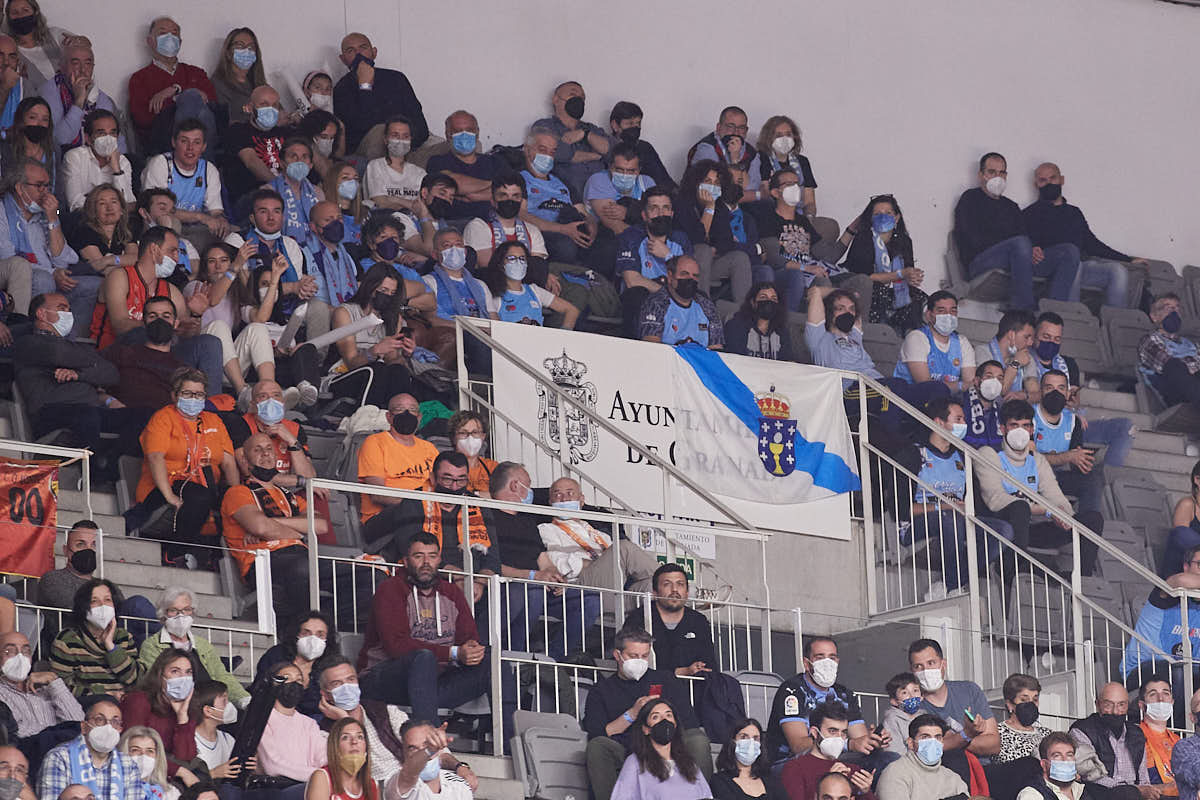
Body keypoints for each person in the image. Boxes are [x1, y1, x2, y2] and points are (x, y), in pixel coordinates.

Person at [356, 532, 491, 725]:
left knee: (493, 662)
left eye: (432, 556)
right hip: (384, 680)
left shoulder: (452, 592)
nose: (426, 563)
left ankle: (510, 738)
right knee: (423, 658)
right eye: (418, 556)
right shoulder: (390, 589)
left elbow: (468, 637)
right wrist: (453, 653)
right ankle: (429, 738)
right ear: (405, 561)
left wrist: (472, 650)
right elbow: (397, 646)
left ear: (439, 560)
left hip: (432, 684)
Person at [582, 628, 712, 800]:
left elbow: (689, 723)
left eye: (644, 656)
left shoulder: (666, 680)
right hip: (627, 747)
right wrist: (632, 714)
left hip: (669, 745)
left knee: (698, 739)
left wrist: (663, 723)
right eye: (633, 656)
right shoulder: (602, 690)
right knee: (598, 746)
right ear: (617, 655)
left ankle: (702, 795)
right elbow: (598, 733)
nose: (639, 661)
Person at [978, 399, 1103, 576]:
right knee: (1019, 508)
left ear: (1031, 430)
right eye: (1014, 425)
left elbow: (1056, 496)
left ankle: (1083, 578)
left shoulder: (1037, 460)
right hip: (1001, 527)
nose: (1020, 431)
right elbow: (995, 500)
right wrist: (1047, 510)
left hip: (1031, 529)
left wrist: (1064, 516)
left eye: (1025, 426)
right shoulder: (989, 453)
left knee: (1093, 519)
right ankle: (1011, 570)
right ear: (1003, 429)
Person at [128, 367, 238, 567]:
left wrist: (236, 496)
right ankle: (174, 553)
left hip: (206, 485)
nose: (194, 399)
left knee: (236, 504)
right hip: (166, 485)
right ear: (174, 395)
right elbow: (155, 458)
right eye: (187, 393)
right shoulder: (163, 418)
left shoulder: (214, 421)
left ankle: (220, 558)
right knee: (199, 496)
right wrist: (170, 496)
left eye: (199, 394)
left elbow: (229, 463)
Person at [221, 433, 332, 630]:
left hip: (302, 557)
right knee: (303, 568)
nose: (265, 454)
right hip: (264, 561)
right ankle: (302, 632)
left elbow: (320, 525)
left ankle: (328, 632)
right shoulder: (238, 492)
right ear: (245, 460)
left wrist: (274, 522)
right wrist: (299, 533)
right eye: (257, 450)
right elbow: (261, 527)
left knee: (368, 574)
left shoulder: (291, 497)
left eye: (269, 449)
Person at [908, 397, 1014, 599]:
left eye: (964, 419)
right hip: (918, 522)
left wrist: (961, 508)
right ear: (939, 422)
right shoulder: (915, 453)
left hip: (955, 518)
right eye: (958, 419)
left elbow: (971, 502)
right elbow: (902, 508)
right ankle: (952, 585)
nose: (964, 424)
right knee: (950, 518)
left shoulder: (962, 457)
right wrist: (945, 507)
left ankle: (951, 583)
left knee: (1003, 531)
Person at [315, 657, 478, 788]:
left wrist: (460, 767)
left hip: (417, 782)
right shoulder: (324, 734)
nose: (346, 688)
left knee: (459, 786)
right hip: (383, 791)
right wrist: (345, 721)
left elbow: (430, 749)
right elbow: (352, 776)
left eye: (351, 680)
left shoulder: (385, 712)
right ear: (325, 695)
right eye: (337, 684)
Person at [954, 152, 1076, 311]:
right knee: (1020, 244)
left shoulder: (1011, 207)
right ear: (981, 175)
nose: (997, 177)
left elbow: (1023, 236)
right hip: (980, 261)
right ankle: (1023, 309)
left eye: (1001, 173)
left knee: (1068, 252)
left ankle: (1053, 312)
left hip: (1016, 258)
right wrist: (1017, 245)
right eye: (991, 172)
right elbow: (971, 238)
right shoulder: (970, 198)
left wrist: (1033, 249)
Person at [13, 292, 125, 462]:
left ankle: (113, 469)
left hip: (90, 411)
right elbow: (57, 354)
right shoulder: (27, 342)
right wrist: (93, 362)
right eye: (62, 308)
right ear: (41, 314)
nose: (68, 314)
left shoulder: (75, 347)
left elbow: (112, 373)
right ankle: (93, 472)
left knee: (142, 416)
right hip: (50, 413)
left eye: (69, 309)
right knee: (87, 415)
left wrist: (79, 374)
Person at [1025, 162, 1147, 308]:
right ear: (1036, 185)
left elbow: (1092, 244)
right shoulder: (1030, 213)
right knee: (1072, 258)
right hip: (1049, 267)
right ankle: (1070, 315)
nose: (1049, 184)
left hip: (1081, 266)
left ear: (1062, 180)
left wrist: (1129, 259)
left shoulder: (1074, 213)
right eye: (1043, 180)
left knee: (1118, 271)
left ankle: (1115, 319)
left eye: (1053, 178)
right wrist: (1032, 248)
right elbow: (1022, 241)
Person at [1026, 312, 1133, 469]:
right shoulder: (1024, 361)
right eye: (1046, 337)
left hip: (1068, 424)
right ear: (1034, 336)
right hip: (1037, 425)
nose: (1051, 343)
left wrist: (1072, 402)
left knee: (1124, 427)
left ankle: (1109, 474)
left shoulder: (1068, 364)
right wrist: (1054, 396)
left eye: (1057, 339)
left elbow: (1074, 401)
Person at [764, 636, 888, 766]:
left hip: (836, 759)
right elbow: (798, 746)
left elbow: (859, 739)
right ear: (806, 664)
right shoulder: (792, 690)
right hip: (791, 762)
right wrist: (848, 744)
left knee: (886, 759)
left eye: (832, 658)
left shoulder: (844, 694)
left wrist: (872, 739)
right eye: (820, 657)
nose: (827, 663)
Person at [538, 476, 660, 593]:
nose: (564, 499)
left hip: (616, 585)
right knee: (623, 548)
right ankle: (667, 575)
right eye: (558, 495)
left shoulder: (599, 533)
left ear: (581, 500)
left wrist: (607, 565)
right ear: (550, 502)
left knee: (652, 586)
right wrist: (601, 565)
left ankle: (668, 580)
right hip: (581, 584)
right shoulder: (546, 529)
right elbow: (559, 563)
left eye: (570, 493)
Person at [137, 588, 250, 710]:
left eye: (186, 610)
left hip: (209, 704)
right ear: (163, 614)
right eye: (173, 610)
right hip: (174, 706)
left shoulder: (203, 645)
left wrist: (244, 699)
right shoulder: (152, 645)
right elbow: (155, 682)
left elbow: (221, 675)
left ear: (193, 612)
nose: (181, 616)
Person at [675, 159, 766, 303]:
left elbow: (726, 242)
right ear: (696, 183)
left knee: (739, 257)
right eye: (707, 181)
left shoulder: (720, 207)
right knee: (704, 250)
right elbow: (697, 239)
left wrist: (715, 248)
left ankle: (744, 310)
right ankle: (703, 306)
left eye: (716, 183)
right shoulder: (683, 204)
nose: (712, 186)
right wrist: (709, 208)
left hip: (711, 264)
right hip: (686, 265)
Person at [757, 168, 847, 311]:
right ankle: (790, 319)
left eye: (797, 183)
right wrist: (807, 268)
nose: (795, 188)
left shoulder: (803, 221)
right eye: (789, 184)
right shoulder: (767, 219)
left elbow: (827, 255)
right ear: (775, 192)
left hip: (808, 269)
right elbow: (775, 258)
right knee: (808, 278)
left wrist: (851, 230)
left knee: (849, 280)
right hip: (783, 272)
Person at [88, 226, 190, 351]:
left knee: (205, 342)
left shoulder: (171, 291)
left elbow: (184, 331)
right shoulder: (120, 277)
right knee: (138, 334)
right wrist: (162, 327)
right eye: (172, 251)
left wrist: (196, 316)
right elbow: (120, 326)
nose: (177, 258)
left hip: (158, 357)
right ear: (154, 249)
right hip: (113, 354)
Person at [127, 16, 216, 154]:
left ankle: (195, 155)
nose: (169, 38)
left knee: (193, 100)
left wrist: (175, 91)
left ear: (180, 42)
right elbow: (143, 119)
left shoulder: (196, 73)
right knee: (192, 97)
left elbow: (213, 104)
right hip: (163, 145)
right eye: (163, 33)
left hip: (205, 140)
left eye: (174, 33)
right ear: (150, 41)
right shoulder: (139, 79)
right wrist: (182, 99)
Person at [357, 392, 439, 537]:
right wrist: (419, 505)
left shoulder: (430, 448)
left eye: (412, 410)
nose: (407, 414)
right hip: (380, 517)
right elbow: (378, 495)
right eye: (400, 409)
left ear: (419, 417)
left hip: (428, 512)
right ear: (389, 417)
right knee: (412, 513)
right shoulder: (375, 442)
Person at [839, 194, 925, 333]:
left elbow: (907, 270)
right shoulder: (864, 238)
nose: (883, 217)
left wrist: (912, 277)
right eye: (877, 214)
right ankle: (875, 333)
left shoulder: (904, 241)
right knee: (880, 291)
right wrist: (900, 274)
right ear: (871, 218)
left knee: (917, 296)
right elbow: (866, 277)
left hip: (891, 288)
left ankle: (908, 334)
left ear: (896, 218)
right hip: (864, 287)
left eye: (888, 213)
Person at [1121, 544, 1200, 694]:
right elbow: (1180, 581)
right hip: (1141, 670)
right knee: (1179, 671)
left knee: (1184, 672)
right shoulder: (1165, 594)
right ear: (1186, 566)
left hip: (1186, 671)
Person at [0, 158, 74, 315]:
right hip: (22, 276)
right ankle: (31, 328)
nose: (45, 192)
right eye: (39, 186)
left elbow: (62, 262)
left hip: (54, 276)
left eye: (47, 186)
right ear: (20, 188)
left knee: (92, 286)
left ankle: (66, 330)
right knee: (43, 280)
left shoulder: (46, 214)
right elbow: (8, 259)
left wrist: (53, 219)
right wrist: (52, 273)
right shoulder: (2, 210)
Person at [140, 119, 227, 251]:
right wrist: (200, 217)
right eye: (184, 141)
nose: (190, 148)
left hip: (196, 230)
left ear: (204, 146)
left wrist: (220, 221)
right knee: (170, 223)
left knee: (232, 234)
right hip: (164, 227)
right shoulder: (161, 163)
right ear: (174, 142)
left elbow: (216, 211)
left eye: (196, 142)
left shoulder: (208, 169)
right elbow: (158, 211)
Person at [334, 32, 427, 154]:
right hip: (372, 146)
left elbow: (420, 123)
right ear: (343, 59)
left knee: (442, 146)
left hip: (408, 143)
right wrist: (365, 86)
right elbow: (363, 128)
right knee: (381, 131)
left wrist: (404, 142)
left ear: (374, 52)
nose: (358, 54)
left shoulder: (396, 78)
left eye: (363, 48)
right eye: (351, 51)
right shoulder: (341, 89)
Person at [615, 186, 692, 334]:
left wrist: (668, 256)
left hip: (674, 300)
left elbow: (689, 280)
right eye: (654, 209)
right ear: (644, 215)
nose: (661, 214)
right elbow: (632, 281)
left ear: (672, 213)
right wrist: (669, 294)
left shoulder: (681, 239)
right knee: (636, 294)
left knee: (699, 297)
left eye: (665, 208)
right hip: (644, 298)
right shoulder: (631, 236)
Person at [907, 639, 1000, 759]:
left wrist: (955, 739)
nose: (926, 671)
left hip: (982, 766)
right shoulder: (912, 706)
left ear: (943, 664)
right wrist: (968, 734)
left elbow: (994, 745)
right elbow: (927, 750)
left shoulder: (969, 690)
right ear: (912, 671)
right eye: (918, 666)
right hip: (943, 768)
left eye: (931, 663)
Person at [99, 294, 189, 417]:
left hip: (161, 422)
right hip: (121, 416)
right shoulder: (121, 352)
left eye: (166, 316)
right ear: (144, 322)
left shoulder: (182, 368)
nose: (159, 321)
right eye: (153, 316)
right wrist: (110, 401)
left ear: (175, 323)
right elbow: (93, 384)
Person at [1033, 369, 1107, 519]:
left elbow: (1075, 457)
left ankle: (1087, 524)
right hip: (1030, 478)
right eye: (1049, 388)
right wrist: (1066, 457)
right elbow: (1028, 459)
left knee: (1092, 479)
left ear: (1068, 394)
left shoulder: (1073, 421)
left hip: (1056, 477)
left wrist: (1084, 462)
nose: (1055, 393)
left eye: (1061, 388)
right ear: (1040, 392)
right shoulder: (1028, 415)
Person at [49, 580, 143, 697]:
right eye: (94, 601)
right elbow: (60, 688)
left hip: (123, 702)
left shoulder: (124, 637)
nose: (102, 606)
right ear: (83, 607)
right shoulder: (67, 640)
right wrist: (103, 694)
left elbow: (135, 680)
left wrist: (111, 646)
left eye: (107, 600)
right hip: (87, 703)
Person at [620, 563, 716, 677]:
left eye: (680, 584)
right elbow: (631, 667)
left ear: (687, 593)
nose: (674, 589)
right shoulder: (638, 619)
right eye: (667, 584)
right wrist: (679, 672)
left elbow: (710, 664)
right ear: (655, 593)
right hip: (651, 686)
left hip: (694, 686)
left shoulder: (698, 621)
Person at [37, 695, 140, 800]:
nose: (108, 727)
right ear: (84, 727)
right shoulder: (59, 758)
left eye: (115, 722)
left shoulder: (128, 764)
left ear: (120, 729)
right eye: (100, 719)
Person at [67, 185, 138, 334]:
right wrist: (121, 262)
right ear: (93, 210)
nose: (109, 207)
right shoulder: (84, 231)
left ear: (121, 208)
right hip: (82, 281)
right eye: (102, 203)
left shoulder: (125, 232)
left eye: (114, 202)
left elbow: (136, 259)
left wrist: (110, 260)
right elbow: (101, 268)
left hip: (116, 278)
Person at [519, 130, 596, 266]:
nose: (548, 156)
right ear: (527, 150)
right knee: (564, 246)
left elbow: (584, 212)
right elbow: (521, 214)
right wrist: (561, 229)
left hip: (572, 228)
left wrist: (592, 225)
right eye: (542, 150)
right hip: (543, 232)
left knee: (606, 242)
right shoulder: (520, 179)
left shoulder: (562, 181)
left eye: (552, 152)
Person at [610, 698, 712, 800]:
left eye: (668, 715)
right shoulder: (635, 762)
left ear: (675, 724)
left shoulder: (689, 762)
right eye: (655, 717)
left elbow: (706, 796)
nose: (664, 720)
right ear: (646, 729)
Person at [118, 649, 197, 776]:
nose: (183, 678)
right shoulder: (139, 701)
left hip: (169, 775)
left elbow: (186, 758)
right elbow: (132, 751)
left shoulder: (187, 706)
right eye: (175, 671)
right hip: (138, 772)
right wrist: (179, 771)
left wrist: (182, 717)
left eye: (188, 672)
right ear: (160, 675)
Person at [0, 629, 83, 750]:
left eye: (26, 651)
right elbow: (17, 732)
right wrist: (59, 732)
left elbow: (78, 722)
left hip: (66, 751)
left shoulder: (47, 688)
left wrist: (54, 681)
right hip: (31, 752)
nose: (20, 657)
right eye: (10, 651)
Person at [40, 37, 123, 154]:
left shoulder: (102, 99)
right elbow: (61, 139)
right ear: (62, 66)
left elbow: (118, 144)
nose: (83, 70)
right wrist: (79, 101)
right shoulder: (48, 92)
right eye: (75, 63)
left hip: (97, 161)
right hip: (61, 161)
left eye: (88, 64)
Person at [780, 703, 878, 800]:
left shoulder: (853, 770)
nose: (839, 738)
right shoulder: (795, 768)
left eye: (843, 732)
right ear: (815, 732)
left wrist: (865, 792)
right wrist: (827, 781)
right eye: (832, 731)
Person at [254, 611, 339, 722]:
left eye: (320, 635)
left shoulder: (331, 664)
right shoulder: (276, 655)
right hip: (274, 717)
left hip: (315, 722)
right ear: (296, 634)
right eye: (306, 633)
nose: (312, 639)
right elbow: (260, 690)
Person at [530, 81, 609, 198]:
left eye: (582, 98)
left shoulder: (591, 129)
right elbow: (556, 153)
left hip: (603, 195)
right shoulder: (544, 126)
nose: (578, 100)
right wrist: (596, 156)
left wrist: (586, 134)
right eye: (573, 94)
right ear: (556, 100)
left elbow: (612, 151)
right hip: (565, 196)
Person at [256, 662, 328, 789]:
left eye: (299, 680)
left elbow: (322, 758)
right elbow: (272, 766)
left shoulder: (309, 723)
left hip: (309, 784)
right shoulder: (262, 719)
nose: (294, 684)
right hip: (276, 788)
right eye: (287, 678)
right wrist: (320, 776)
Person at [1068, 682, 1149, 795]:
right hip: (1099, 794)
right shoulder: (1082, 730)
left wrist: (1148, 791)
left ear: (1127, 706)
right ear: (1097, 705)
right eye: (1108, 705)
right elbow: (1091, 775)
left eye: (1121, 705)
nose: (1115, 711)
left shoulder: (1136, 734)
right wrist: (1131, 790)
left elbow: (1143, 778)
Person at [222, 85, 295, 206]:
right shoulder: (238, 131)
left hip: (288, 193)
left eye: (275, 105)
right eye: (264, 104)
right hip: (254, 196)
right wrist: (282, 187)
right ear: (251, 107)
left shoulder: (286, 133)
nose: (270, 109)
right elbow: (251, 161)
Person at [481, 240, 578, 328]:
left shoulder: (534, 291)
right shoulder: (494, 296)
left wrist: (565, 333)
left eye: (522, 258)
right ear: (501, 263)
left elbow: (571, 310)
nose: (518, 262)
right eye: (512, 258)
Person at [894, 291, 977, 391]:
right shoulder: (917, 338)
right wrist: (960, 386)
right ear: (929, 315)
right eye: (941, 311)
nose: (948, 315)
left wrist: (965, 386)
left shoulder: (962, 342)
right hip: (908, 398)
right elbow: (926, 386)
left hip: (948, 399)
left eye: (953, 311)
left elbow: (971, 385)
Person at [638, 254, 724, 349]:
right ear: (670, 276)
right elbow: (652, 346)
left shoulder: (707, 306)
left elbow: (717, 348)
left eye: (695, 276)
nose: (690, 279)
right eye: (684, 274)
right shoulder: (656, 303)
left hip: (701, 358)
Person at [876, 714, 969, 800]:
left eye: (937, 737)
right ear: (910, 743)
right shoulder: (894, 774)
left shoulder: (953, 779)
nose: (932, 742)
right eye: (925, 737)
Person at [464, 174, 549, 267]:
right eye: (503, 195)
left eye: (515, 196)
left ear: (522, 201)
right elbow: (487, 266)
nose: (509, 200)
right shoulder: (478, 226)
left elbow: (537, 267)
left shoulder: (532, 230)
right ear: (492, 200)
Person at [59, 110, 132, 213]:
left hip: (116, 220)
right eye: (101, 133)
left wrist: (117, 170)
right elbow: (75, 203)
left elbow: (128, 203)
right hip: (82, 219)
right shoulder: (74, 157)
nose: (108, 139)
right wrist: (112, 205)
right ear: (88, 139)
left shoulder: (123, 162)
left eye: (112, 133)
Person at [686, 106, 761, 203]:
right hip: (706, 202)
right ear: (719, 127)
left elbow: (754, 188)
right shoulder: (707, 148)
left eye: (741, 128)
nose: (736, 132)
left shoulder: (752, 153)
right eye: (730, 126)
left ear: (746, 131)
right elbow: (715, 189)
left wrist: (753, 194)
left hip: (741, 204)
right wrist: (734, 160)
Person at [1138, 293, 1200, 410]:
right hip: (1173, 391)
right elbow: (1166, 364)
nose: (1174, 312)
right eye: (1168, 308)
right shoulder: (1149, 341)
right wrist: (1194, 368)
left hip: (1194, 386)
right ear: (1154, 316)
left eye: (1177, 308)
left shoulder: (1190, 344)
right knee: (1174, 366)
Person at [383, 721, 473, 800]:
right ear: (404, 752)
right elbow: (407, 776)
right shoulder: (397, 782)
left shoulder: (458, 785)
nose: (422, 753)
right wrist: (428, 750)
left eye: (427, 744)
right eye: (413, 748)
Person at [426, 109, 500, 205]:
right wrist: (495, 184)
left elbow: (509, 191)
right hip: (453, 214)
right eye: (457, 131)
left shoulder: (494, 161)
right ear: (448, 135)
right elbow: (452, 184)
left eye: (469, 130)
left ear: (477, 133)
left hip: (490, 214)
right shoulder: (437, 162)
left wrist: (473, 195)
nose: (464, 135)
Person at [709, 718, 788, 800]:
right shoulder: (719, 781)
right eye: (743, 737)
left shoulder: (771, 780)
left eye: (755, 738)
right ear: (732, 742)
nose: (751, 743)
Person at [188, 680, 252, 779]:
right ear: (208, 711)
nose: (230, 705)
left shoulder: (228, 739)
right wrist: (213, 774)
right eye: (224, 701)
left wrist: (250, 768)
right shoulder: (189, 741)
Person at [607, 101, 675, 192]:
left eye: (638, 123)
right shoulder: (606, 147)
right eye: (630, 123)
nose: (635, 127)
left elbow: (663, 180)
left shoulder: (645, 147)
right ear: (615, 125)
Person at [755, 115, 817, 215]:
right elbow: (765, 195)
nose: (784, 139)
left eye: (788, 134)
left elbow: (810, 202)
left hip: (799, 216)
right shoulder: (761, 159)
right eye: (778, 135)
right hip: (772, 215)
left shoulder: (802, 161)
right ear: (768, 138)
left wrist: (809, 218)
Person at [305, 716, 376, 800]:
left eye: (360, 737)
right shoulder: (321, 777)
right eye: (345, 737)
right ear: (335, 747)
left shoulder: (372, 785)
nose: (354, 741)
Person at [365, 116, 426, 213]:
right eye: (395, 135)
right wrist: (410, 205)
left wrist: (394, 199)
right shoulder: (375, 166)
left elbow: (423, 206)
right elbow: (380, 202)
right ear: (385, 139)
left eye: (405, 136)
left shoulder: (420, 173)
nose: (400, 140)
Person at [4, 0, 71, 86]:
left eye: (25, 10)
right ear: (8, 18)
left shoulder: (54, 34)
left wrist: (79, 41)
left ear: (35, 12)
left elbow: (82, 45)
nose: (21, 15)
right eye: (15, 12)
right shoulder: (9, 50)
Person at [209, 27, 265, 129]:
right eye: (240, 46)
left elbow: (278, 111)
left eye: (251, 47)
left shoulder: (260, 84)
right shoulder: (218, 84)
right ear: (228, 53)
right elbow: (225, 121)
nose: (246, 50)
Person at [723, 282, 796, 360]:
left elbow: (787, 360)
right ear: (753, 302)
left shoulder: (782, 331)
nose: (769, 302)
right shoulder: (735, 326)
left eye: (773, 299)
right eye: (763, 297)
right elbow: (734, 359)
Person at [270, 138, 323, 244]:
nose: (299, 161)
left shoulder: (318, 193)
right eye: (293, 156)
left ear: (311, 165)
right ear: (282, 163)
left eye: (304, 157)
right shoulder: (270, 191)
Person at [995, 673, 1051, 764]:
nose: (1031, 704)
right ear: (1009, 704)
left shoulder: (1047, 734)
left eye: (1035, 700)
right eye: (1024, 700)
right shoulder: (997, 733)